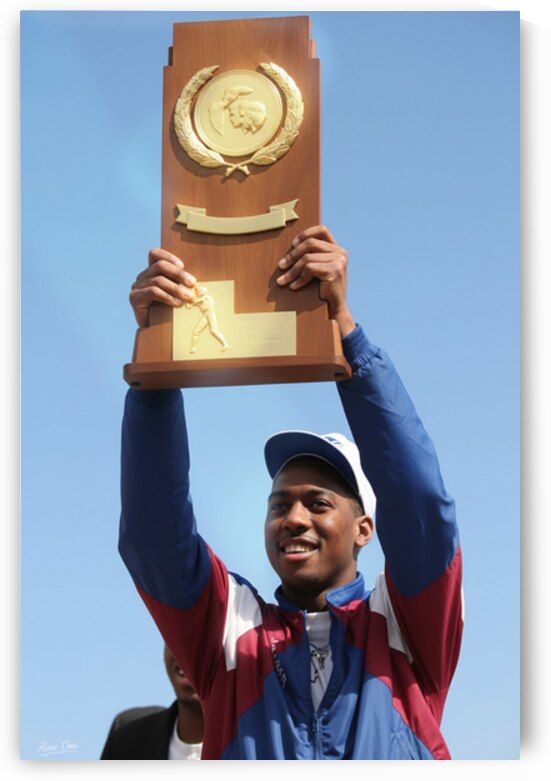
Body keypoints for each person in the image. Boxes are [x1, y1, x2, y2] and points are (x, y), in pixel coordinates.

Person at [120, 225, 463, 760]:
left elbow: (420, 504)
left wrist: (346, 333)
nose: (294, 518)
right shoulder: (227, 629)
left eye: (318, 502)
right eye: (279, 504)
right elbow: (153, 534)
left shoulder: (407, 626)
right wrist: (155, 365)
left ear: (365, 529)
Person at [100, 644, 204, 760]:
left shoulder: (227, 747)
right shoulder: (126, 740)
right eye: (174, 634)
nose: (186, 653)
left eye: (204, 639)